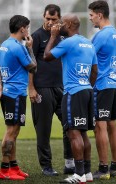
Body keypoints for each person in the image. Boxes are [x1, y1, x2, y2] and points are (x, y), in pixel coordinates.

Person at [44, 14, 98, 183]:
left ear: (67, 24)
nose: (58, 25)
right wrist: (86, 85)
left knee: (73, 133)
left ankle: (79, 174)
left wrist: (53, 37)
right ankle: (87, 173)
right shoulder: (89, 43)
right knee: (83, 133)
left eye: (60, 23)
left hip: (74, 92)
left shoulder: (67, 42)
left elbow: (47, 56)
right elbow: (95, 71)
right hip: (88, 90)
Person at [29, 4, 74, 176]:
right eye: (47, 18)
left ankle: (69, 162)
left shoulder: (63, 36)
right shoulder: (37, 37)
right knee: (43, 129)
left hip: (62, 88)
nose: (49, 22)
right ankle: (46, 166)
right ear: (43, 17)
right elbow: (30, 65)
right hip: (42, 89)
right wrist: (31, 88)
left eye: (53, 19)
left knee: (70, 126)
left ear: (59, 19)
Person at [0, 15, 37, 181]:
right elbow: (33, 67)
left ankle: (13, 167)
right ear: (22, 29)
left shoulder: (4, 45)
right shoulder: (18, 47)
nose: (28, 30)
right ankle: (4, 170)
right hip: (15, 94)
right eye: (27, 27)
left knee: (15, 131)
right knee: (11, 132)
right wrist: (30, 48)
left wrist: (0, 87)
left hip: (9, 93)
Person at [88, 0, 116, 180]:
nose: (91, 18)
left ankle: (103, 169)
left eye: (92, 15)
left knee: (99, 126)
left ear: (100, 15)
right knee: (112, 125)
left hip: (100, 85)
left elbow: (87, 55)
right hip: (112, 84)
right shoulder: (115, 33)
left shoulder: (101, 35)